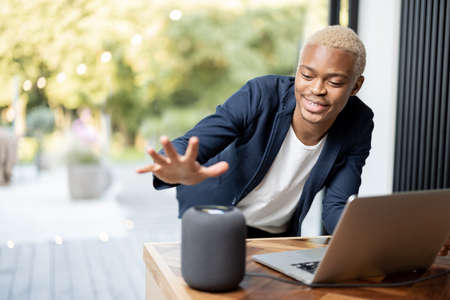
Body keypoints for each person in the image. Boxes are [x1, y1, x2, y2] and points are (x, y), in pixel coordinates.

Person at [137, 25, 372, 238]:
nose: (316, 89)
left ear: (356, 86)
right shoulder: (261, 95)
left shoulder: (358, 123)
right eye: (307, 76)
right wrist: (173, 170)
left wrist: (367, 239)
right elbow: (193, 142)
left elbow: (337, 206)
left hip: (277, 233)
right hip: (218, 218)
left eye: (335, 83)